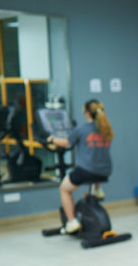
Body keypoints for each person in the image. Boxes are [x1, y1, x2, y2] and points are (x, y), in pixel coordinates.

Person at [46, 99, 113, 234]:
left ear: (87, 113)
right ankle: (97, 189)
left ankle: (72, 222)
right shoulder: (106, 128)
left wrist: (53, 139)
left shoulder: (81, 129)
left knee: (64, 189)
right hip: (105, 170)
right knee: (94, 164)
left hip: (87, 171)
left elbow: (65, 142)